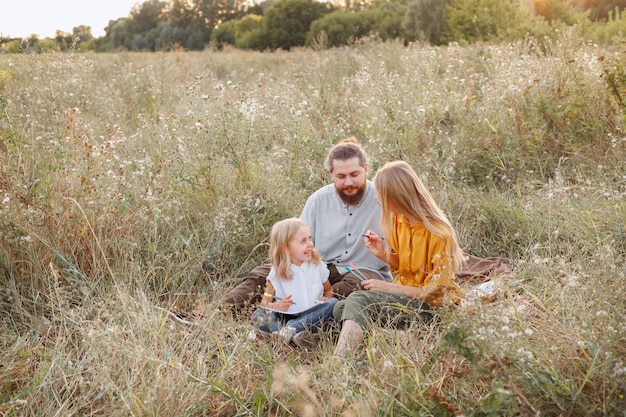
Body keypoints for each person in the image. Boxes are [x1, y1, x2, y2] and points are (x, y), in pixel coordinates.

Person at [223, 138, 392, 312]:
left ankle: (301, 319)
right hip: (317, 264)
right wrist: (285, 267)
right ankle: (218, 313)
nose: (348, 182)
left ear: (366, 169)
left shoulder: (384, 201)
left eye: (354, 175)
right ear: (332, 174)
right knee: (263, 274)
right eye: (341, 176)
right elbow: (297, 239)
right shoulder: (318, 200)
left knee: (355, 287)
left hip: (361, 271)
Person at [333, 160, 465, 357]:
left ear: (397, 196)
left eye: (381, 195)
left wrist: (389, 287)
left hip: (434, 310)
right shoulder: (399, 221)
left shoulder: (439, 234)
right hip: (406, 300)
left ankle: (338, 363)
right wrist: (383, 254)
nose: (377, 199)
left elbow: (437, 294)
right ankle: (394, 337)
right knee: (340, 308)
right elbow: (407, 266)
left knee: (359, 302)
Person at [251, 218, 338, 345]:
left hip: (311, 316)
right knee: (258, 314)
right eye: (303, 241)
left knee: (333, 303)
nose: (310, 244)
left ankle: (289, 332)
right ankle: (286, 334)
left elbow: (328, 290)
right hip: (285, 317)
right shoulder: (276, 274)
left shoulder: (317, 266)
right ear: (284, 249)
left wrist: (325, 298)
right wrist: (276, 305)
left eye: (310, 238)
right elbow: (265, 301)